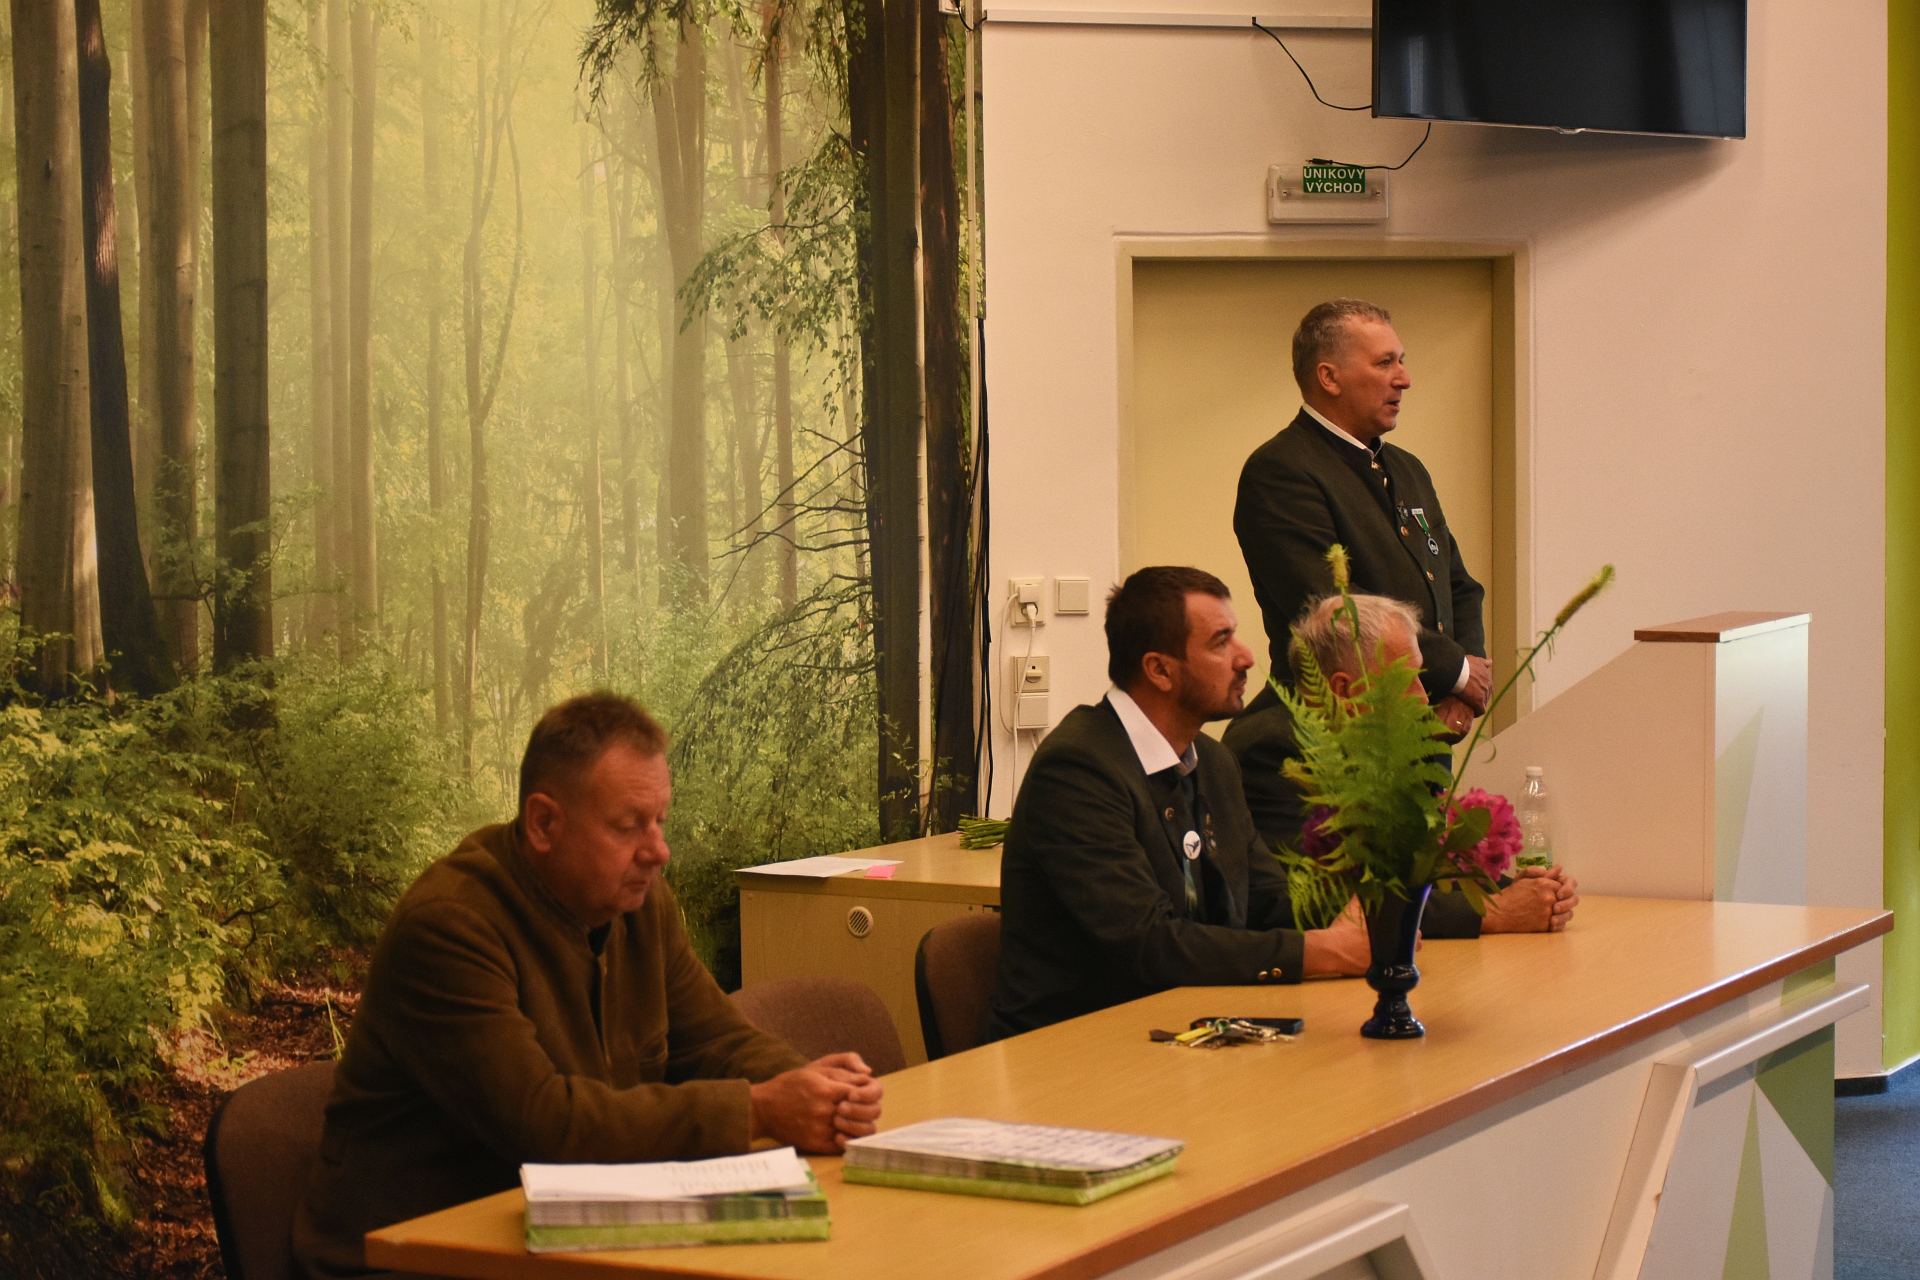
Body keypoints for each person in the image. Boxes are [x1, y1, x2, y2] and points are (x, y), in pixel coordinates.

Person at [294, 693, 884, 1280]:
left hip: (572, 1239)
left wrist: (820, 1092)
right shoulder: (449, 927)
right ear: (544, 823)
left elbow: (716, 1039)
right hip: (412, 1258)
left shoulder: (637, 903)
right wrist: (762, 1110)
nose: (658, 851)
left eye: (660, 821)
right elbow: (546, 1125)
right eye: (628, 826)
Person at [982, 567, 1372, 1044]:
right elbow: (1149, 944)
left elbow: (1271, 903)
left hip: (1185, 1029)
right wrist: (1323, 952)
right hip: (1072, 1050)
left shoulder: (1213, 761)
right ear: (1160, 670)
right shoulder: (1077, 770)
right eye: (1221, 642)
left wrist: (1376, 918)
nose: (1246, 657)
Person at [1222, 592, 1579, 935]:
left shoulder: (1375, 745)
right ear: (1344, 689)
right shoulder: (1271, 750)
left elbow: (1414, 872)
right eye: (1408, 679)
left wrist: (1518, 890)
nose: (1423, 698)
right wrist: (1494, 912)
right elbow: (1320, 899)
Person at [1233, 297, 1490, 742]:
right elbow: (1332, 606)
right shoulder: (1282, 470)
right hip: (1340, 732)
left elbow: (1458, 586)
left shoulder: (1408, 469)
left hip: (1428, 722)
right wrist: (1457, 672)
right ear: (1329, 377)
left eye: (1401, 361)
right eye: (1385, 363)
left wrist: (1464, 685)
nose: (1404, 379)